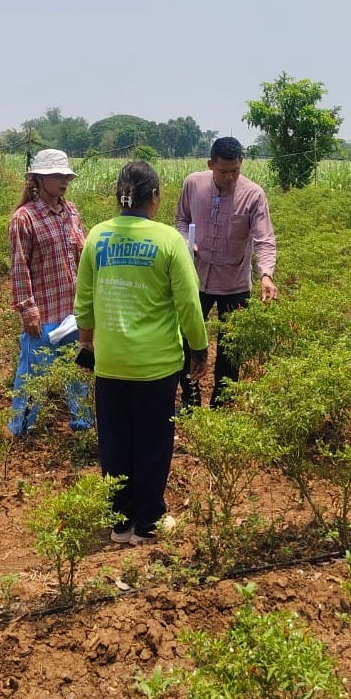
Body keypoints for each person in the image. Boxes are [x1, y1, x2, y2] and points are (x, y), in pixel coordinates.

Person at [75, 161, 209, 544]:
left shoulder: (98, 237)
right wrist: (198, 349)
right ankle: (148, 522)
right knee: (152, 443)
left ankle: (120, 523)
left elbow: (83, 299)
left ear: (118, 195)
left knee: (115, 442)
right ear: (154, 197)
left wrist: (87, 342)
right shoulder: (168, 241)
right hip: (156, 366)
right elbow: (188, 304)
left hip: (111, 363)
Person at [174, 136, 277, 409]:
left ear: (241, 164)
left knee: (231, 349)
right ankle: (190, 398)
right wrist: (186, 240)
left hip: (235, 284)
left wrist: (265, 274)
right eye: (223, 171)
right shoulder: (193, 184)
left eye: (235, 170)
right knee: (187, 341)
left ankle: (222, 404)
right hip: (195, 279)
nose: (230, 177)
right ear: (210, 165)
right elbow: (181, 219)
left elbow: (263, 239)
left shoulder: (254, 194)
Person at [8, 148, 89, 435]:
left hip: (73, 310)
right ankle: (22, 428)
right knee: (33, 374)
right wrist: (28, 310)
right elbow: (19, 267)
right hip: (43, 313)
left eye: (66, 176)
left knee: (77, 370)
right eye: (56, 176)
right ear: (38, 180)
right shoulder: (24, 218)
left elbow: (84, 255)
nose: (63, 181)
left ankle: (82, 423)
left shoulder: (72, 212)